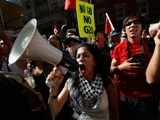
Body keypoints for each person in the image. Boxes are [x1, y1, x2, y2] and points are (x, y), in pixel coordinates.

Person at [47, 43, 119, 120]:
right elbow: (54, 111)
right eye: (78, 56)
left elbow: (114, 112)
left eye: (85, 56)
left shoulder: (106, 82)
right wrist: (54, 89)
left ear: (94, 62)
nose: (81, 59)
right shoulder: (71, 82)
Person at [110, 15, 157, 120]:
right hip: (127, 100)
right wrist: (122, 67)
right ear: (125, 30)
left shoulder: (151, 45)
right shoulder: (118, 48)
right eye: (128, 24)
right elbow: (111, 70)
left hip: (148, 98)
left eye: (136, 23)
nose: (132, 25)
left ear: (142, 28)